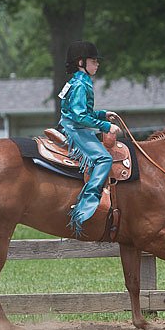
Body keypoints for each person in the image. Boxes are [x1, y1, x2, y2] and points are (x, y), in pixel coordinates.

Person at [58, 40, 121, 236]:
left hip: (72, 124)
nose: (97, 64)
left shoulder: (78, 81)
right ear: (81, 63)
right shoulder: (80, 85)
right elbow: (79, 116)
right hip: (75, 129)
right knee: (104, 158)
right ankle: (87, 205)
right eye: (93, 61)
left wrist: (102, 114)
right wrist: (106, 126)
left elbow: (84, 111)